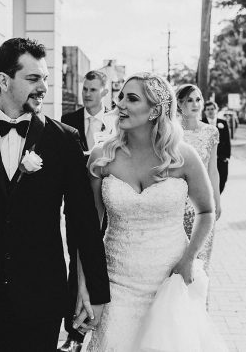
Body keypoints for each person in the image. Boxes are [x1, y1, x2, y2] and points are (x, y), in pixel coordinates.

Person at [0, 37, 110, 351]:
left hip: (40, 300)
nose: (43, 87)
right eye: (33, 79)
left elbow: (83, 223)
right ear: (4, 80)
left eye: (45, 78)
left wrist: (91, 292)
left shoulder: (63, 141)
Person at [76, 73, 216, 351]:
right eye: (120, 97)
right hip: (116, 284)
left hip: (169, 283)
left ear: (155, 110)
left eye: (132, 98)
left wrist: (189, 258)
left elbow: (207, 211)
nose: (120, 105)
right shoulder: (102, 157)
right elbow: (88, 229)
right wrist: (84, 285)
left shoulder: (184, 157)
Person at [59, 70, 115, 352]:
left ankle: (102, 318)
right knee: (77, 260)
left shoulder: (117, 121)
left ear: (104, 92)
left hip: (112, 201)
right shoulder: (68, 122)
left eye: (93, 89)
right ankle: (74, 332)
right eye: (85, 88)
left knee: (106, 259)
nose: (87, 93)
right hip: (78, 205)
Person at [176, 84, 222, 272]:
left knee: (201, 264)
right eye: (189, 100)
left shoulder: (211, 132)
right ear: (179, 104)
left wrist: (216, 201)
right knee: (178, 262)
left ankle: (201, 302)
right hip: (177, 206)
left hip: (202, 206)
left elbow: (213, 170)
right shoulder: (172, 133)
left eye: (198, 99)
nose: (195, 104)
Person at [202, 101, 231, 193]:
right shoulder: (201, 123)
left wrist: (226, 157)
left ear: (216, 110)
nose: (210, 111)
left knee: (222, 180)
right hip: (206, 160)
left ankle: (217, 198)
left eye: (212, 109)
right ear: (205, 111)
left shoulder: (223, 123)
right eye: (208, 109)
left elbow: (227, 141)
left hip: (221, 159)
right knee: (207, 182)